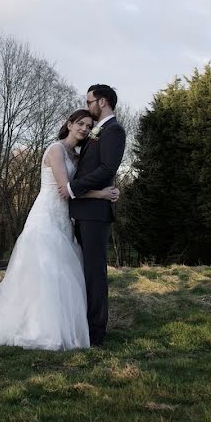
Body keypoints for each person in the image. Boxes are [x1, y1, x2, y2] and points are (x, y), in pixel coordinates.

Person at [0, 109, 120, 350]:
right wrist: (101, 194)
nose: (85, 129)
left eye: (89, 126)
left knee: (63, 271)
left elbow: (82, 182)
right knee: (45, 269)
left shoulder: (76, 155)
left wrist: (107, 188)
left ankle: (65, 325)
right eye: (80, 124)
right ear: (69, 124)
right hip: (46, 215)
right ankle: (38, 327)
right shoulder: (56, 150)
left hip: (65, 218)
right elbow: (65, 188)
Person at [59, 84, 126, 346]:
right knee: (84, 271)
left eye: (89, 102)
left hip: (96, 214)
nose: (87, 106)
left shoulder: (114, 131)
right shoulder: (96, 131)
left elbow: (108, 168)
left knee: (95, 273)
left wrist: (73, 188)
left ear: (103, 102)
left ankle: (96, 333)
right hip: (84, 210)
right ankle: (84, 324)